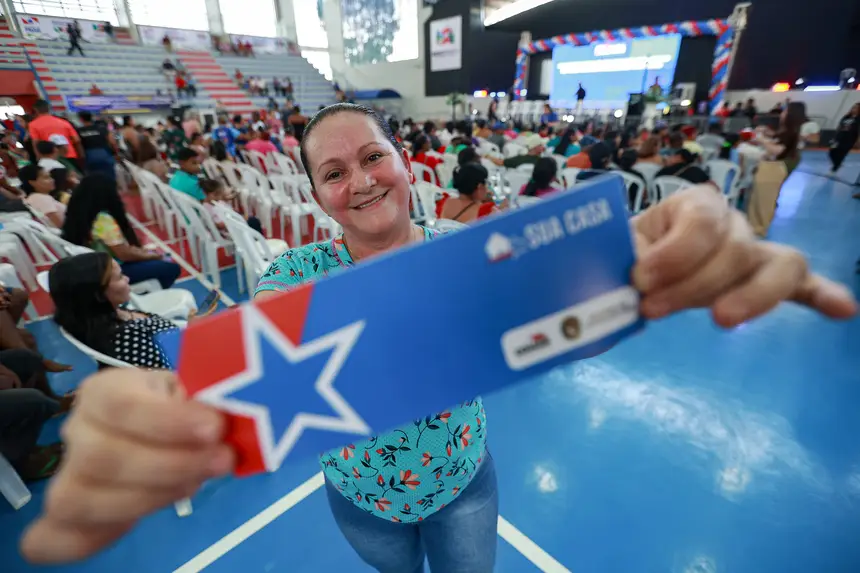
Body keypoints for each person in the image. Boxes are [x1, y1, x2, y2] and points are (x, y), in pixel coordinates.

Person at [20, 104, 859, 570]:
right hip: (362, 499)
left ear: (401, 161)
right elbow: (228, 375)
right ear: (315, 193)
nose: (361, 179)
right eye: (334, 170)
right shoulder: (290, 278)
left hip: (463, 480)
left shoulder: (476, 256)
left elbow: (582, 331)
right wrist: (154, 405)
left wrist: (639, 270)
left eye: (372, 155)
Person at [50, 252, 195, 369]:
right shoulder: (127, 338)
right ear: (99, 295)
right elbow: (170, 369)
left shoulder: (95, 318)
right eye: (119, 277)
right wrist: (195, 332)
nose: (127, 278)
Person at [62, 174, 181, 289]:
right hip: (110, 271)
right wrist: (153, 256)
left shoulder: (79, 213)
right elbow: (124, 255)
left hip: (93, 268)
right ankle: (151, 294)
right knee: (171, 267)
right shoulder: (103, 220)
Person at [746, 101, 804, 236]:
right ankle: (753, 226)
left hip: (774, 168)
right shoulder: (785, 131)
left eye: (785, 111)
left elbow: (777, 150)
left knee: (765, 201)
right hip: (769, 166)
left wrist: (761, 140)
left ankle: (759, 229)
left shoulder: (790, 132)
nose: (782, 114)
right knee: (757, 199)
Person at [28, 100, 84, 167]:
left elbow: (36, 143)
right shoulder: (64, 122)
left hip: (50, 157)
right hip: (70, 155)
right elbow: (77, 140)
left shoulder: (33, 125)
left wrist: (39, 157)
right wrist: (81, 156)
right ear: (49, 108)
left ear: (35, 110)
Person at [77, 111, 117, 179]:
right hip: (105, 155)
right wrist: (115, 153)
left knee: (93, 178)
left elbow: (78, 145)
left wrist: (81, 159)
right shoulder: (102, 128)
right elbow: (112, 142)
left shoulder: (78, 131)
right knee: (110, 177)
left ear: (81, 119)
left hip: (89, 156)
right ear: (91, 117)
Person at [830, 103, 859, 174]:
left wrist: (858, 141)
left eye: (856, 108)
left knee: (842, 154)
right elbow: (839, 126)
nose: (854, 109)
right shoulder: (846, 117)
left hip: (850, 139)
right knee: (832, 152)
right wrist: (835, 136)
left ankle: (834, 168)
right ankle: (837, 164)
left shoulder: (858, 119)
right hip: (839, 137)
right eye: (853, 107)